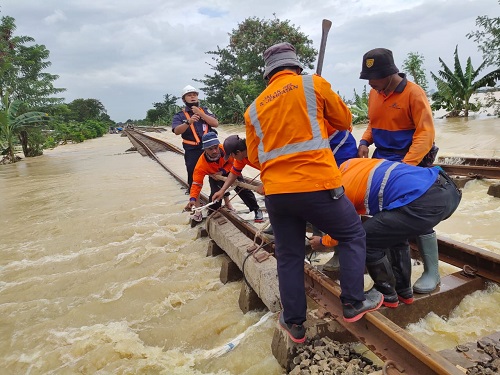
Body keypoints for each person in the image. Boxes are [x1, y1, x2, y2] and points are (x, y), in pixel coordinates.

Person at [245, 42, 383, 343]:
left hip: (277, 194)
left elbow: (255, 158)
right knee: (352, 234)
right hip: (317, 184)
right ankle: (353, 302)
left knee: (289, 255)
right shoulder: (313, 84)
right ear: (296, 66)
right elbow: (345, 123)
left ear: (269, 74)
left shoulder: (254, 108)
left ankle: (294, 323)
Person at [310, 158, 462, 307]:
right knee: (393, 234)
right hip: (447, 189)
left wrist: (323, 242)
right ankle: (403, 291)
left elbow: (346, 231)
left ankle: (385, 292)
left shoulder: (340, 192)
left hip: (424, 201)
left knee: (365, 240)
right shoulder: (348, 164)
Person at [357, 48, 438, 167]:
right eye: (367, 78)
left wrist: (406, 165)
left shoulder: (414, 93)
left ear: (388, 74)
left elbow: (425, 134)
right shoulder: (374, 93)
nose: (370, 82)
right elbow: (373, 124)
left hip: (408, 157)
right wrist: (364, 142)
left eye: (374, 77)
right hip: (382, 156)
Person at [186, 132, 263, 222]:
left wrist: (223, 171)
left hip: (229, 170)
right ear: (205, 149)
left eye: (216, 147)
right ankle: (213, 213)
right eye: (210, 149)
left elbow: (235, 165)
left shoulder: (229, 150)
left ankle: (256, 209)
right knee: (215, 194)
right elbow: (196, 183)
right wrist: (193, 199)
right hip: (215, 176)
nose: (214, 151)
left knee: (243, 189)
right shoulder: (201, 165)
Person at [172, 85, 219, 192]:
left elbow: (215, 123)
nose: (193, 97)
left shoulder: (205, 111)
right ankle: (194, 201)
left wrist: (201, 113)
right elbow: (176, 131)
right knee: (193, 175)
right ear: (184, 99)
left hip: (210, 149)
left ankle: (219, 199)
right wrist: (189, 122)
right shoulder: (180, 115)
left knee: (217, 175)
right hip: (192, 150)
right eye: (189, 95)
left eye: (194, 95)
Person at [211, 135, 265, 203]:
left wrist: (266, 185)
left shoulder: (260, 152)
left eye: (231, 155)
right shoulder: (241, 158)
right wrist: (222, 191)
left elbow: (275, 169)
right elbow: (233, 173)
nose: (232, 157)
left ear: (238, 152)